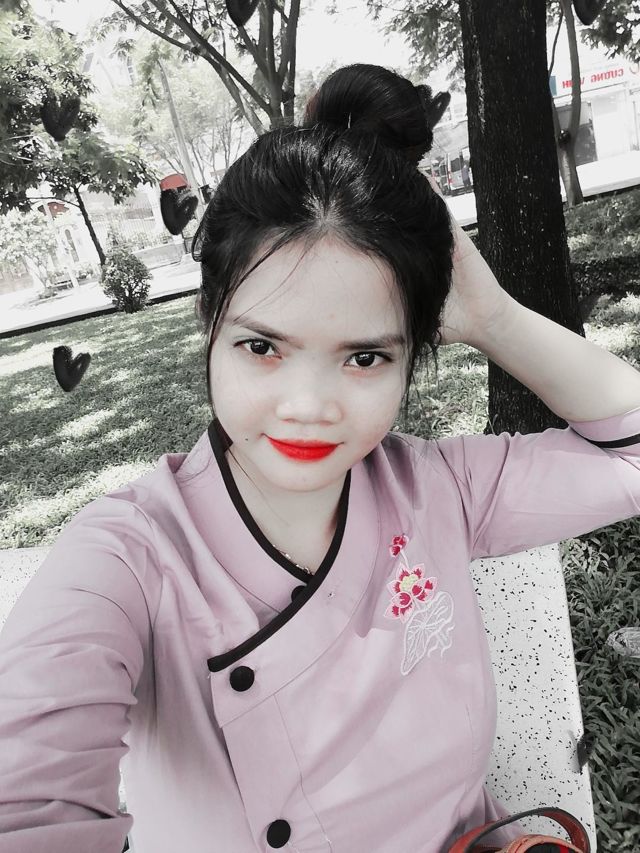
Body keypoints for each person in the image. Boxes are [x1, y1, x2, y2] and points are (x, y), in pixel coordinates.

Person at [1, 63, 639, 853]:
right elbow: (28, 795)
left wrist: (494, 317)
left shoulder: (438, 488)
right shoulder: (128, 558)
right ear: (209, 321)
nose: (308, 404)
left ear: (412, 355)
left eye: (365, 357)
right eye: (263, 346)